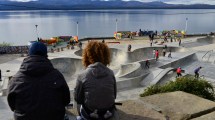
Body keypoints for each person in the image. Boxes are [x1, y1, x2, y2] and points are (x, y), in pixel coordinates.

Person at [7, 42, 70, 120]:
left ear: (28, 55)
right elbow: (66, 100)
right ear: (46, 55)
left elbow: (12, 106)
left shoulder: (15, 80)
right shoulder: (57, 76)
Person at [74, 41, 117, 120]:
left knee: (77, 104)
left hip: (90, 114)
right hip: (109, 112)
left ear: (87, 56)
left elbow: (78, 99)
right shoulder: (111, 73)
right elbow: (114, 95)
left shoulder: (82, 76)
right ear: (106, 55)